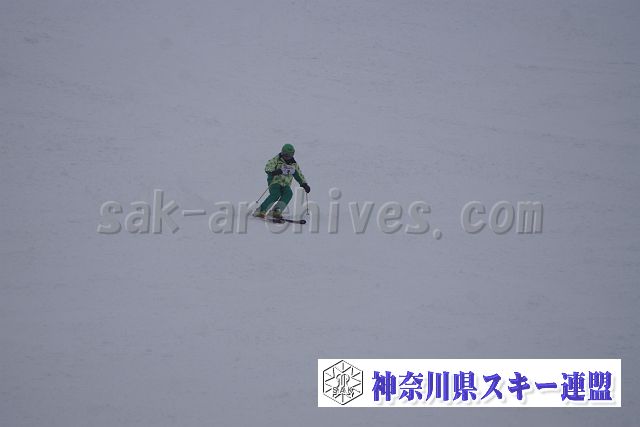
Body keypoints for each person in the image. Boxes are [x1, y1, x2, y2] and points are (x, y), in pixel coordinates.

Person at [254, 144, 310, 219]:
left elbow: (299, 175)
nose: (287, 157)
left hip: (286, 184)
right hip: (274, 181)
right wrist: (274, 172)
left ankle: (276, 211)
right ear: (282, 152)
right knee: (276, 194)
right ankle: (261, 210)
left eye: (289, 155)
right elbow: (268, 166)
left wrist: (304, 184)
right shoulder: (277, 159)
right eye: (285, 155)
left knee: (288, 194)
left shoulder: (293, 165)